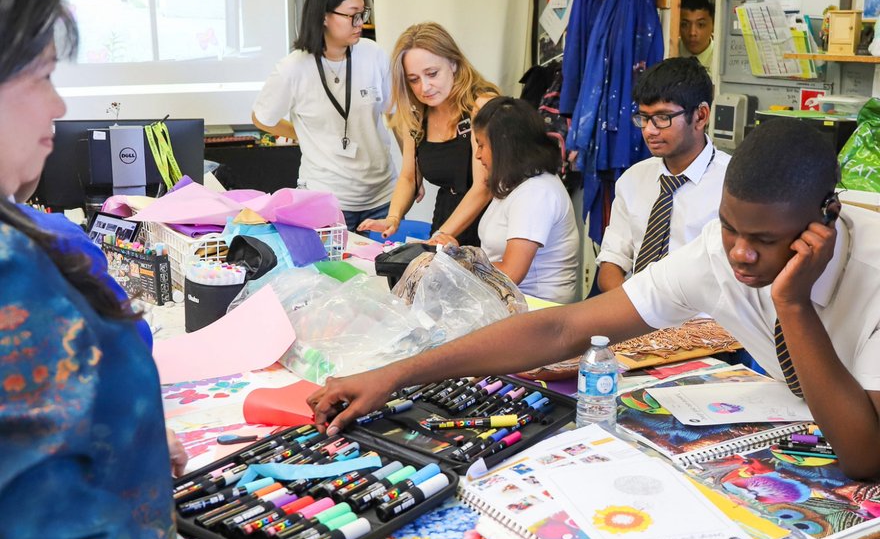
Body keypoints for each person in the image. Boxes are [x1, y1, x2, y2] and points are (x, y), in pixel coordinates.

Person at [309, 117, 880, 481]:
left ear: (824, 220)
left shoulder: (874, 275)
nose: (740, 255)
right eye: (731, 228)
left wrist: (795, 305)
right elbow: (561, 330)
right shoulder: (717, 251)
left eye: (765, 241)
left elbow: (865, 456)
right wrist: (395, 375)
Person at [0, 0, 298, 539]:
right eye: (41, 77)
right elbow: (48, 538)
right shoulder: (7, 270)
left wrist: (119, 437)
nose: (57, 106)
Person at [252, 0, 395, 232]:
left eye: (363, 13)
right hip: (326, 199)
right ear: (324, 16)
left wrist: (412, 170)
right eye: (352, 14)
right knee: (330, 272)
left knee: (381, 271)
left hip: (382, 195)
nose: (360, 22)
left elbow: (395, 115)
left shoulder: (373, 54)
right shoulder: (293, 68)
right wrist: (303, 135)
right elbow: (262, 118)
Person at [357, 22, 500, 246]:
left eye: (432, 74)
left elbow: (483, 187)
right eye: (413, 79)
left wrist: (438, 238)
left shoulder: (480, 106)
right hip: (445, 223)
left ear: (453, 63)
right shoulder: (415, 115)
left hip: (488, 226)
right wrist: (393, 218)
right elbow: (409, 177)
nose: (424, 87)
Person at [596, 56, 730, 293]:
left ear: (700, 116)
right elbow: (612, 261)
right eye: (644, 118)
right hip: (634, 317)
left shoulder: (732, 185)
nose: (649, 130)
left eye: (662, 118)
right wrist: (634, 311)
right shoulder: (633, 179)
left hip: (703, 323)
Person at [440, 97, 579, 303]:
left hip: (536, 310)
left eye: (481, 145)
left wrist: (458, 260)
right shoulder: (515, 183)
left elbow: (511, 273)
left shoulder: (536, 193)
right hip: (508, 301)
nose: (477, 155)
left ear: (503, 146)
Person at [679, 0, 715, 78]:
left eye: (701, 25)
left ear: (714, 25)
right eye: (684, 24)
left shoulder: (721, 61)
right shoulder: (667, 53)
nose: (692, 33)